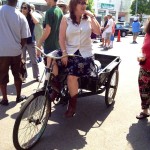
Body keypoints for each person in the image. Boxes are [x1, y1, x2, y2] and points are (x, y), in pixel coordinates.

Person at [48, 0, 101, 117]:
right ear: (74, 5)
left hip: (85, 54)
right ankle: (56, 87)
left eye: (84, 3)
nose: (83, 5)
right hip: (68, 51)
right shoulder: (66, 18)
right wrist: (64, 53)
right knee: (50, 58)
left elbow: (98, 31)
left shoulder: (88, 19)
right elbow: (61, 38)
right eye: (80, 2)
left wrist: (91, 16)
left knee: (72, 77)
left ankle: (72, 105)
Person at [0, 0, 31, 105]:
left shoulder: (0, 11)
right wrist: (19, 48)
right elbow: (24, 38)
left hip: (1, 51)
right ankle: (18, 96)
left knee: (2, 75)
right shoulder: (21, 16)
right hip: (15, 51)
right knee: (18, 74)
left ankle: (4, 99)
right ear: (17, 1)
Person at [21, 2, 40, 82]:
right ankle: (24, 77)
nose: (23, 9)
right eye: (22, 7)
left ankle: (36, 76)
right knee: (22, 61)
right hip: (21, 41)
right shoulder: (20, 17)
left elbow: (37, 22)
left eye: (25, 8)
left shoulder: (31, 18)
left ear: (28, 9)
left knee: (34, 60)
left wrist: (31, 13)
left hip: (30, 41)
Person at [136, 17, 150, 119]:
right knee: (143, 90)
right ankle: (145, 111)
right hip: (145, 68)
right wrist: (141, 55)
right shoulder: (147, 34)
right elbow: (143, 48)